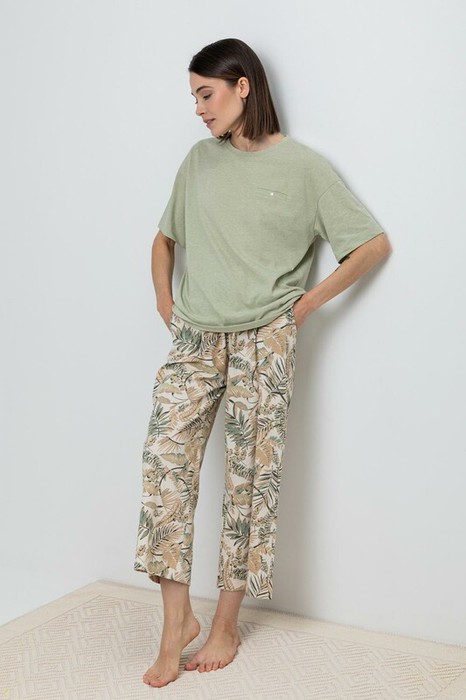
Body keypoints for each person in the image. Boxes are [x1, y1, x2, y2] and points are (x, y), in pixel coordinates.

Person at [133, 37, 391, 688]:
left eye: (206, 94)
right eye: (194, 97)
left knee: (251, 484)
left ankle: (225, 624)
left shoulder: (305, 168)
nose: (198, 109)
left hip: (263, 341)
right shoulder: (198, 161)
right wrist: (165, 299)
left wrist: (304, 306)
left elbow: (370, 245)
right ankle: (175, 626)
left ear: (242, 86)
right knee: (165, 472)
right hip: (196, 339)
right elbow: (164, 239)